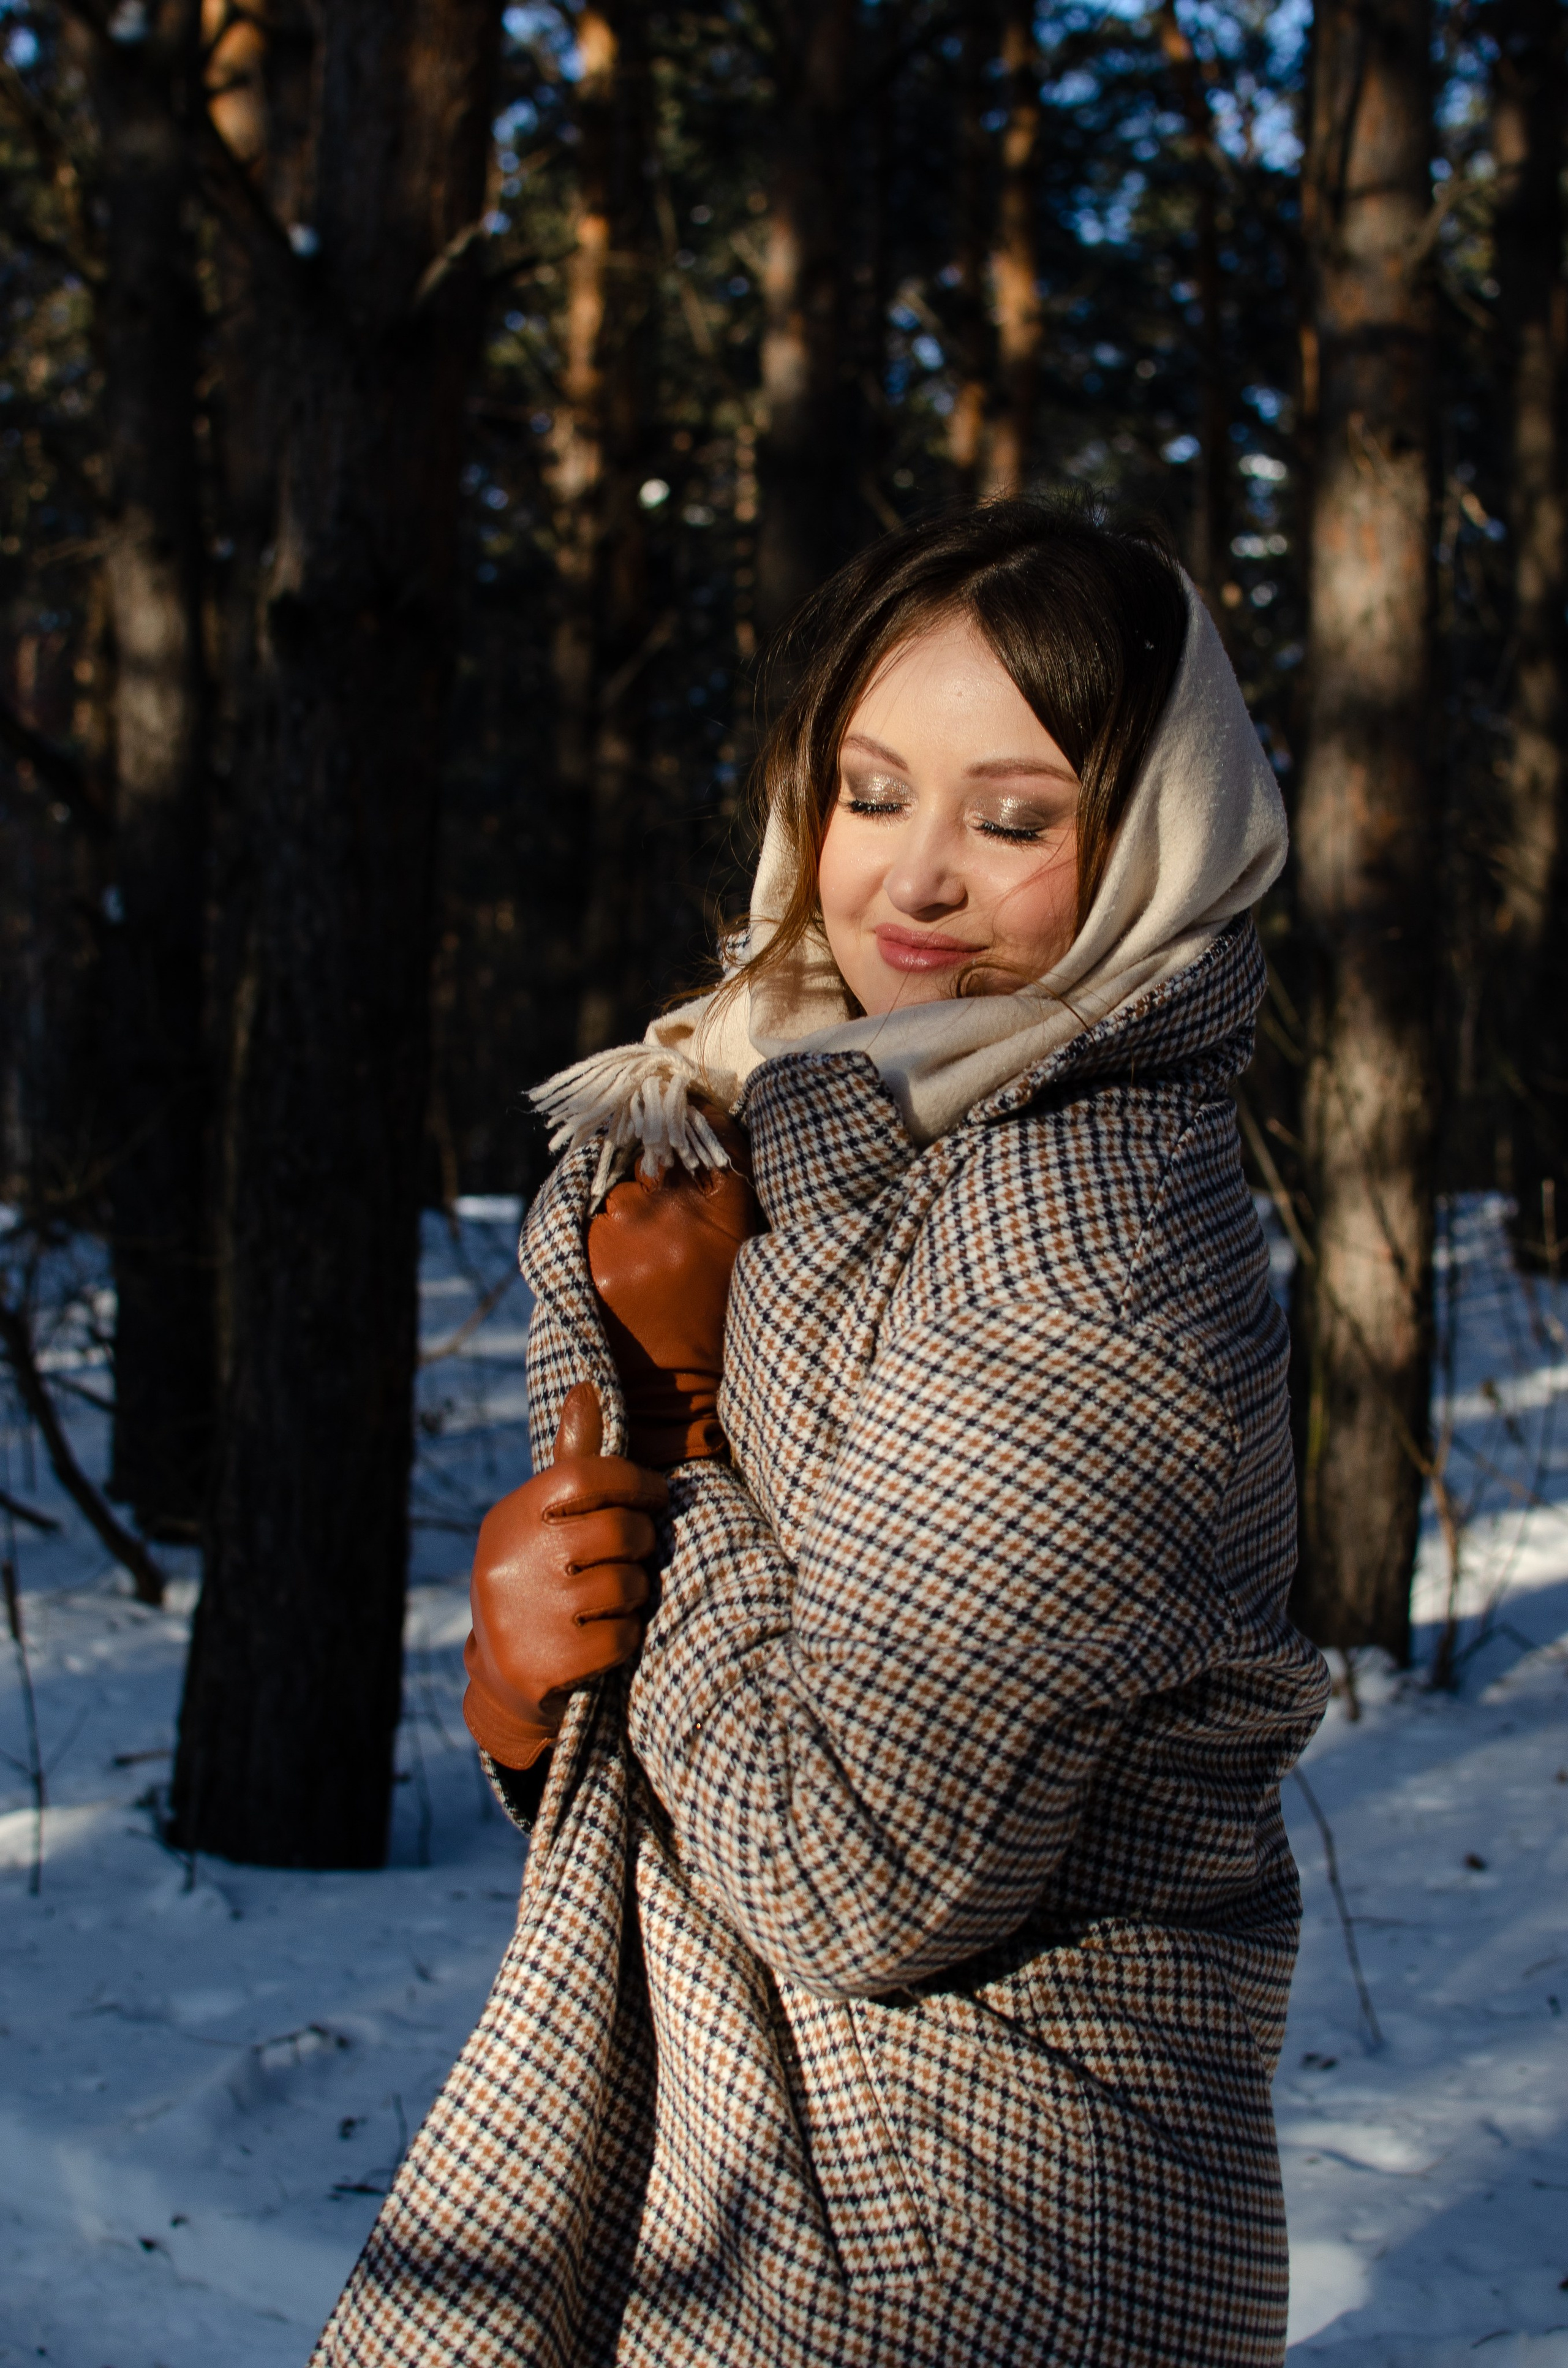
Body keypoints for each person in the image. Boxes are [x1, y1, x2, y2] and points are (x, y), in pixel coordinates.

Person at [312, 501, 1330, 2368]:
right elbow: (776, 1723)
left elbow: (847, 1867)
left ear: (1155, 845)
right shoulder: (826, 1132)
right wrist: (536, 1688)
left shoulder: (1079, 1253)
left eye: (1014, 819)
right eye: (871, 793)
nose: (913, 882)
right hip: (780, 2186)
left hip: (961, 2242)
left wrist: (683, 1443)